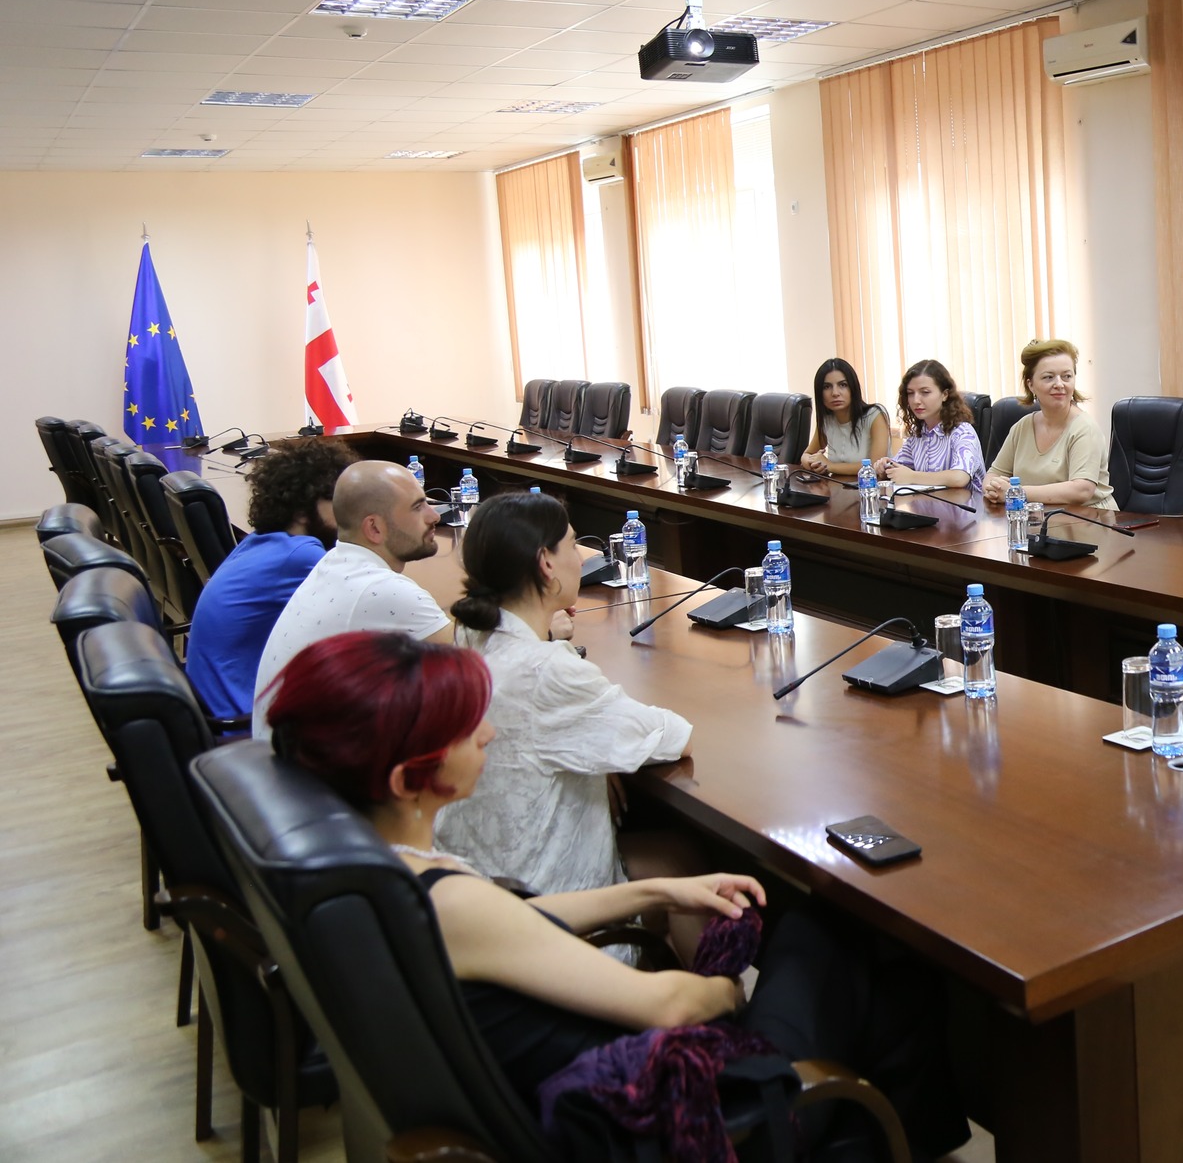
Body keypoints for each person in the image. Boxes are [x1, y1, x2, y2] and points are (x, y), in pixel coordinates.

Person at [265, 630, 970, 1157]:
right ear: (407, 778)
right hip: (671, 1119)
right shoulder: (448, 906)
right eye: (465, 727)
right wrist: (725, 992)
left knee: (864, 964)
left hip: (594, 1098)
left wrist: (659, 890)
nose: (490, 732)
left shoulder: (385, 870)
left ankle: (889, 1136)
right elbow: (671, 1005)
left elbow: (516, 921)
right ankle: (877, 1132)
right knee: (841, 928)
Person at [434, 492, 694, 899]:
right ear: (546, 563)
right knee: (682, 858)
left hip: (472, 877)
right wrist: (598, 754)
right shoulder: (546, 670)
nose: (581, 559)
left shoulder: (471, 635)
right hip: (539, 893)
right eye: (573, 545)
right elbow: (674, 738)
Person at [252, 458, 449, 739]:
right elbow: (479, 670)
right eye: (418, 507)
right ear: (374, 528)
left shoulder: (334, 561)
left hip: (281, 753)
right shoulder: (385, 591)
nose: (434, 516)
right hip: (310, 763)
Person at [183, 436, 354, 723]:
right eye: (337, 501)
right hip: (242, 720)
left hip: (217, 705)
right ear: (302, 508)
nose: (347, 513)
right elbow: (368, 601)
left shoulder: (259, 541)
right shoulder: (300, 556)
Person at [985, 337, 1114, 511]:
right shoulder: (1022, 426)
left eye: (1067, 376)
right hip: (1039, 519)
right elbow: (993, 474)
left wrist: (1015, 492)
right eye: (1048, 377)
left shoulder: (1085, 428)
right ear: (1031, 385)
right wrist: (993, 488)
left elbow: (1082, 490)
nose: (1059, 384)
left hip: (1089, 520)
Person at [876, 358, 984, 492]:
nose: (916, 400)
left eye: (925, 392)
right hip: (928, 503)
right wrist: (886, 467)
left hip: (964, 504)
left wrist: (912, 476)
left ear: (945, 395)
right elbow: (900, 468)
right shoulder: (918, 433)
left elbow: (959, 478)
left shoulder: (963, 432)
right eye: (910, 393)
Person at [799, 357, 891, 477]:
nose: (835, 393)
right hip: (837, 486)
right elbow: (806, 455)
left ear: (853, 388)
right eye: (827, 387)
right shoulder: (827, 420)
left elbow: (875, 466)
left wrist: (830, 466)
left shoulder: (875, 415)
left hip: (870, 486)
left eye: (843, 385)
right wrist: (813, 463)